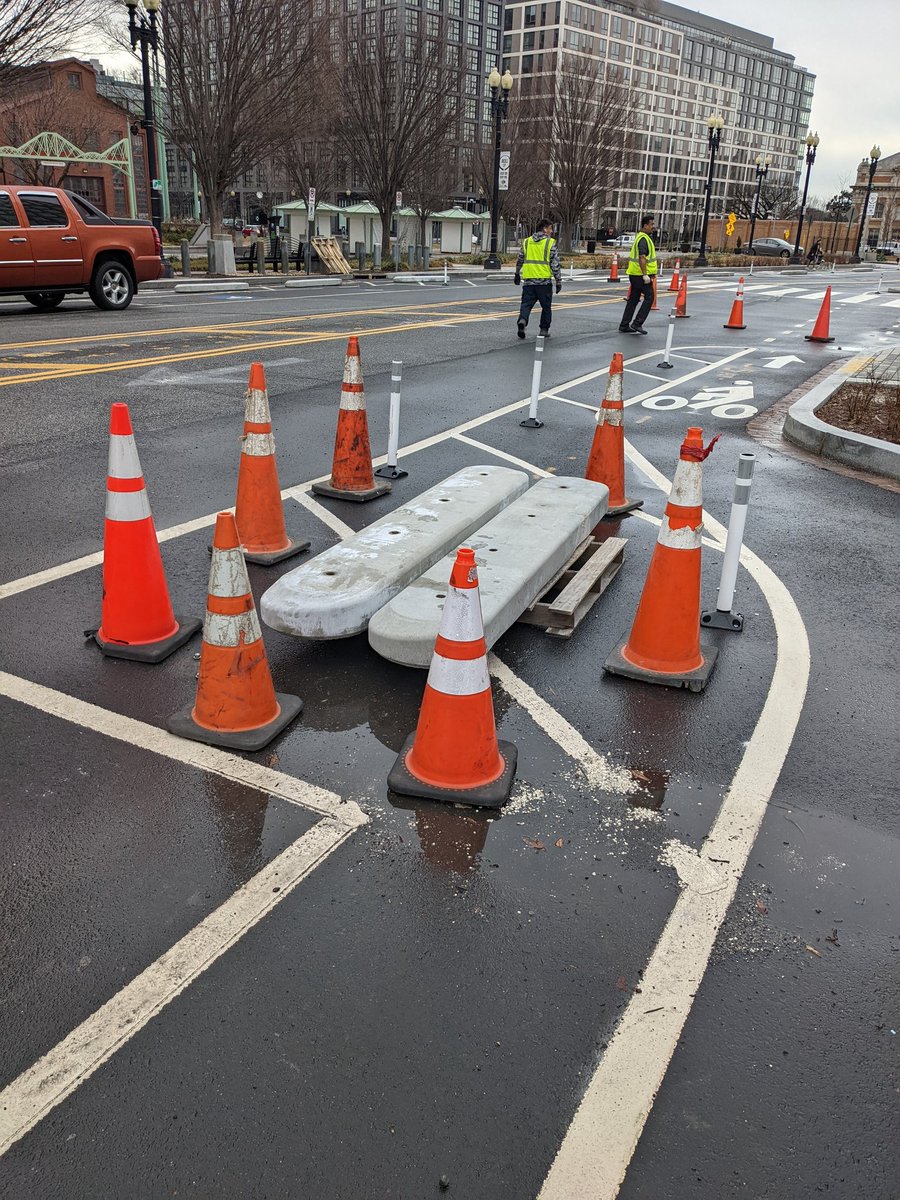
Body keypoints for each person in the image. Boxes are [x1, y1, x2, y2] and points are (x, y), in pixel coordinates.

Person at [514, 217, 562, 339]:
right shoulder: (550, 243)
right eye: (550, 228)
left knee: (526, 304)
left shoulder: (526, 242)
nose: (552, 231)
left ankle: (523, 320)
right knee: (546, 307)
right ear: (545, 229)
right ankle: (544, 330)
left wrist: (517, 273)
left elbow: (520, 259)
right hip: (544, 282)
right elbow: (555, 264)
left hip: (529, 281)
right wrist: (558, 280)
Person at [619, 214, 658, 335]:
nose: (653, 227)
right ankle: (637, 323)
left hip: (635, 274)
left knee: (634, 299)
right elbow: (642, 257)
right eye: (651, 224)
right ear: (645, 225)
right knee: (649, 298)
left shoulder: (643, 237)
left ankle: (624, 325)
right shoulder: (643, 239)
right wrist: (645, 275)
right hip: (640, 276)